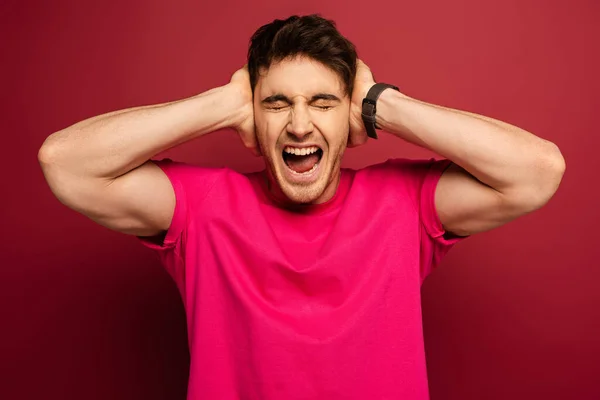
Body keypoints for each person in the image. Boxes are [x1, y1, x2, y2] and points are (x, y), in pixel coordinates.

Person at [38, 14, 565, 400]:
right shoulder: (201, 208)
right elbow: (65, 163)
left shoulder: (404, 203)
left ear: (351, 120)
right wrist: (220, 104)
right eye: (276, 103)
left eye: (323, 103)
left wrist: (384, 103)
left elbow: (537, 172)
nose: (298, 124)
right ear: (253, 120)